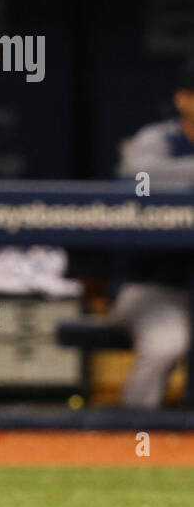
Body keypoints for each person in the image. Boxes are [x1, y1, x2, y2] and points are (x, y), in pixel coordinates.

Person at [111, 59, 194, 407]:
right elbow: (139, 177)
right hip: (153, 288)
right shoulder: (156, 139)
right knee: (165, 346)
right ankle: (133, 438)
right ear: (183, 99)